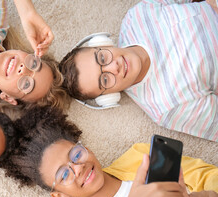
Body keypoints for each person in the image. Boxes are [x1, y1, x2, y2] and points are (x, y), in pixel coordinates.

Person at [0, 106, 218, 197]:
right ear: (60, 195)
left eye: (75, 154)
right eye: (64, 175)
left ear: (86, 148)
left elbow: (208, 175)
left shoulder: (139, 155)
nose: (78, 167)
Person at [59, 0, 218, 142]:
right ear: (109, 97)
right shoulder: (164, 107)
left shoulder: (137, 16)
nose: (114, 67)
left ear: (103, 42)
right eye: (105, 80)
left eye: (102, 58)